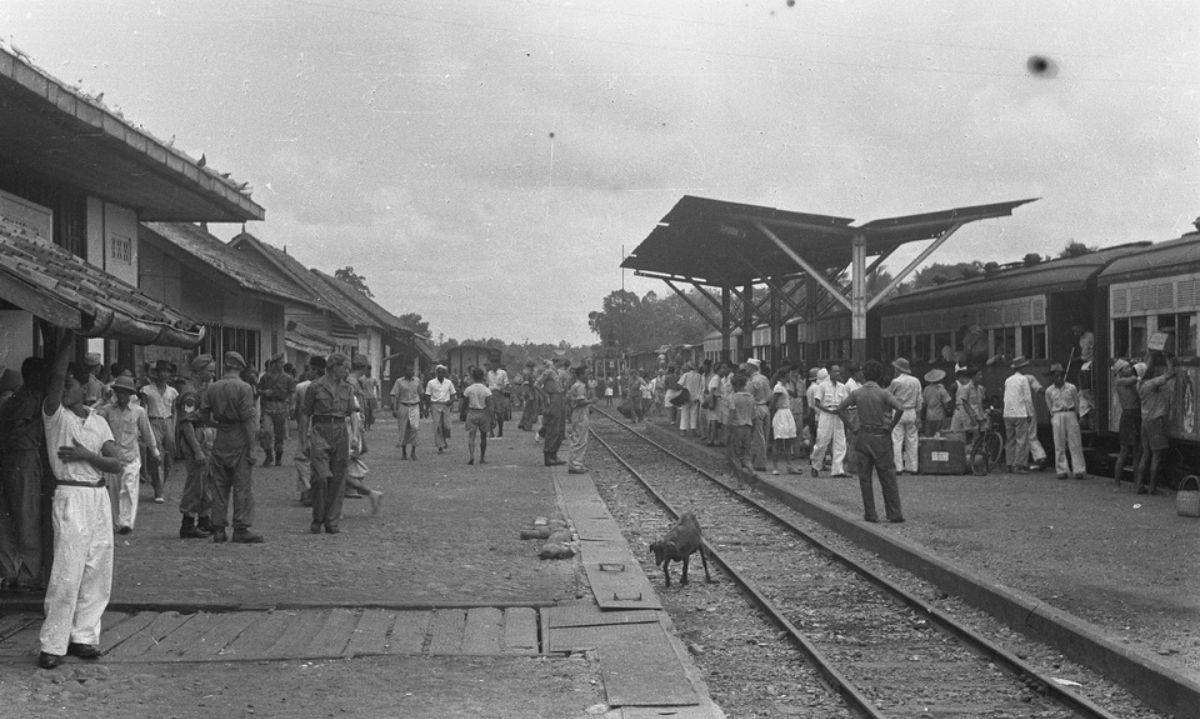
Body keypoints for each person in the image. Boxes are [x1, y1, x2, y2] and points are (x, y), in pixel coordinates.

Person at [38, 330, 124, 670]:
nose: (68, 387)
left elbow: (115, 462)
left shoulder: (99, 421)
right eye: (66, 383)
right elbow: (57, 377)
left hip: (98, 496)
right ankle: (53, 643)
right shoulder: (56, 417)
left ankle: (84, 635)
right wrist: (66, 344)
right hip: (71, 493)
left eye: (75, 382)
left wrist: (86, 454)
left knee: (97, 568)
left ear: (85, 387)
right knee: (67, 569)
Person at [0, 356, 48, 593]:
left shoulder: (20, 398)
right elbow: (17, 433)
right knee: (27, 516)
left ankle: (12, 571)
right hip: (23, 459)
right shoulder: (26, 400)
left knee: (14, 518)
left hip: (16, 460)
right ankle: (29, 573)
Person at [204, 351, 263, 544]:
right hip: (239, 438)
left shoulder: (213, 387)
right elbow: (248, 419)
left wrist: (219, 424)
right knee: (242, 486)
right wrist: (253, 447)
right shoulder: (244, 388)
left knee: (219, 486)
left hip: (221, 437)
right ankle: (241, 527)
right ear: (239, 367)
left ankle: (218, 528)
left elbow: (204, 414)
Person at [839, 359, 905, 523]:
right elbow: (900, 408)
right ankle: (894, 513)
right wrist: (890, 427)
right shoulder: (884, 393)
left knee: (865, 478)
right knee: (888, 477)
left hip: (863, 436)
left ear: (864, 374)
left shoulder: (857, 393)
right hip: (881, 438)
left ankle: (870, 513)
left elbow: (840, 408)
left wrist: (853, 428)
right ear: (880, 375)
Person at [298, 352, 355, 534]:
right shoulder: (315, 387)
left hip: (340, 431)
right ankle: (318, 517)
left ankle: (331, 521)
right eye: (344, 367)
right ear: (334, 367)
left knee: (338, 478)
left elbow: (352, 412)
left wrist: (355, 436)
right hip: (320, 431)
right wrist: (304, 440)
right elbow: (305, 413)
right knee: (321, 477)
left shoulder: (348, 388)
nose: (347, 371)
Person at [96, 375, 159, 534]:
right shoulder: (108, 411)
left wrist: (155, 451)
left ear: (130, 394)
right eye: (119, 392)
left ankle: (126, 523)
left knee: (129, 489)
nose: (122, 396)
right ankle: (117, 522)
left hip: (131, 457)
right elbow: (93, 416)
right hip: (114, 457)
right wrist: (103, 401)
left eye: (125, 393)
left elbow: (147, 432)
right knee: (115, 491)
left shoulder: (139, 411)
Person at [175, 354, 215, 538]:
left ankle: (204, 519)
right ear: (199, 371)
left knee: (206, 480)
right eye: (210, 370)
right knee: (196, 482)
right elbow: (186, 423)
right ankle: (188, 523)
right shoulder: (190, 393)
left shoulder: (202, 389)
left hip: (204, 435)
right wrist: (197, 449)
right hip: (195, 437)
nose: (213, 373)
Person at [1133, 353, 1175, 495]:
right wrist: (1168, 359)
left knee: (1145, 454)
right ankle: (1152, 488)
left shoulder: (1139, 384)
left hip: (1145, 421)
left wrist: (1150, 357)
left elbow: (1144, 370)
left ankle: (1139, 485)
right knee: (1156, 456)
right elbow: (1171, 374)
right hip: (1156, 421)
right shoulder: (1152, 383)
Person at [292, 357, 324, 506]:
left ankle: (307, 490)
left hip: (307, 426)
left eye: (310, 369)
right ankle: (309, 491)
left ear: (316, 370)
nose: (307, 372)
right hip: (322, 428)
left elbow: (298, 410)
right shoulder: (329, 385)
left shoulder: (303, 387)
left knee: (301, 458)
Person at [1045, 363, 1086, 480]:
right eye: (1055, 376)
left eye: (1060, 375)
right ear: (1052, 377)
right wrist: (1053, 417)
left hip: (1070, 413)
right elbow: (1049, 406)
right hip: (1057, 415)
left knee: (1075, 443)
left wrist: (1078, 415)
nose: (1058, 378)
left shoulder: (1071, 388)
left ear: (1063, 376)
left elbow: (1077, 402)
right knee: (1059, 444)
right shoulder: (1049, 391)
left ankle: (1079, 470)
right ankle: (1062, 470)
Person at [810, 366, 849, 477]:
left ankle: (838, 470)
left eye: (839, 371)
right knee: (822, 441)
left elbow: (845, 402)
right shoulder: (822, 386)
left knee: (840, 442)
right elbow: (817, 403)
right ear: (830, 373)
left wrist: (841, 411)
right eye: (835, 371)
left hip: (838, 415)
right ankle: (815, 465)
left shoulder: (842, 387)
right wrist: (828, 410)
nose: (837, 373)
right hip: (826, 414)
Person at [256, 354, 294, 467]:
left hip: (281, 407)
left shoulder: (288, 378)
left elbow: (292, 393)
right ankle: (268, 454)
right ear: (274, 364)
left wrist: (292, 406)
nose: (281, 365)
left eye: (282, 363)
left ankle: (278, 457)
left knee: (279, 434)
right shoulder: (265, 377)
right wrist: (264, 392)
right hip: (268, 406)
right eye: (279, 363)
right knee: (266, 432)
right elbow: (258, 389)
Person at [887, 358, 923, 474]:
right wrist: (918, 416)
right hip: (912, 411)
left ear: (898, 369)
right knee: (912, 440)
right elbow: (919, 400)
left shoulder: (896, 382)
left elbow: (888, 396)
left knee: (897, 440)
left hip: (898, 411)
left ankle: (898, 467)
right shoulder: (916, 381)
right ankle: (913, 467)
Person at [1110, 359, 1141, 491]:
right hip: (1129, 416)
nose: (1130, 369)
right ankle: (1117, 483)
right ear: (1120, 372)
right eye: (1127, 367)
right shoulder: (1121, 381)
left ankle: (1136, 483)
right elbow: (1136, 378)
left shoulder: (1124, 381)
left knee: (1136, 451)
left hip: (1133, 415)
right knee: (1125, 451)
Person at [1002, 356, 1036, 474]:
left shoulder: (1008, 380)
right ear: (1023, 367)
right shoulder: (1023, 379)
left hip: (1008, 412)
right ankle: (1019, 465)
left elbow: (1005, 397)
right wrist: (1030, 412)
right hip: (1020, 412)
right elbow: (1027, 398)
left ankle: (1009, 464)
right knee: (1022, 439)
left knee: (1010, 439)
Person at [536, 360, 567, 466]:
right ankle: (548, 455)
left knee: (560, 429)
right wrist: (545, 396)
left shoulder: (557, 373)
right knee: (553, 428)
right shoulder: (548, 372)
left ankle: (554, 454)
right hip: (553, 399)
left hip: (560, 398)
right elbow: (537, 384)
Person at [390, 363, 422, 459]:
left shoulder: (417, 381)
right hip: (403, 406)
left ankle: (413, 452)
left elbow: (421, 393)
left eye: (412, 370)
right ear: (404, 371)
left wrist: (424, 408)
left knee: (414, 428)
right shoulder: (399, 382)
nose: (411, 372)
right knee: (403, 429)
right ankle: (404, 452)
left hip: (414, 406)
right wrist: (394, 408)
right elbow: (394, 395)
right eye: (408, 370)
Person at [567, 365, 595, 474]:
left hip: (579, 414)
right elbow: (580, 402)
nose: (588, 376)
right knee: (580, 440)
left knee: (579, 438)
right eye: (586, 374)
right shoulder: (580, 387)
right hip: (580, 414)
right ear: (581, 375)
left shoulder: (577, 385)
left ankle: (576, 462)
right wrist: (591, 401)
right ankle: (575, 464)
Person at [726, 373, 755, 477]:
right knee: (746, 455)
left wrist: (727, 430)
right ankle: (752, 472)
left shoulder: (733, 398)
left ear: (736, 385)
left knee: (735, 455)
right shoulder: (751, 397)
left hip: (737, 428)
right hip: (748, 427)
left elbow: (732, 415)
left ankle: (740, 481)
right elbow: (753, 415)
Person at [770, 368, 799, 475]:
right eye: (789, 375)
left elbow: (795, 395)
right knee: (778, 441)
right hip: (781, 414)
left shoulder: (784, 387)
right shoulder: (778, 387)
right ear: (785, 376)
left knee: (788, 442)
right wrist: (773, 415)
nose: (790, 377)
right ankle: (775, 467)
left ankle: (789, 466)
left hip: (787, 414)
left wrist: (794, 384)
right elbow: (773, 402)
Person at [745, 358, 772, 471]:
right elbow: (770, 395)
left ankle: (759, 463)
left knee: (757, 436)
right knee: (764, 435)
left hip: (756, 408)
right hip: (765, 407)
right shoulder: (764, 379)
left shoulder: (752, 381)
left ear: (752, 367)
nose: (746, 368)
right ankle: (760, 460)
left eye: (747, 366)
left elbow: (749, 396)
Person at [462, 368, 493, 466]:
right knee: (483, 437)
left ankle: (472, 456)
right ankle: (482, 458)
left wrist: (463, 412)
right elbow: (490, 405)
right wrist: (493, 418)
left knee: (471, 436)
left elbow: (465, 402)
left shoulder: (469, 389)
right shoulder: (486, 390)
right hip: (483, 413)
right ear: (483, 376)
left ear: (472, 377)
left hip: (472, 412)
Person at [424, 365, 456, 454]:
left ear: (445, 373)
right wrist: (427, 409)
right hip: (435, 404)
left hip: (446, 405)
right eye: (439, 372)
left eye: (443, 372)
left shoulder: (449, 382)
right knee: (437, 425)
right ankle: (440, 446)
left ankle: (444, 439)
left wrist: (451, 401)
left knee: (447, 426)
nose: (441, 374)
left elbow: (453, 394)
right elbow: (427, 396)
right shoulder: (431, 383)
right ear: (436, 373)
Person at [949, 367, 985, 443]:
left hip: (977, 419)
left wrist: (982, 417)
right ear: (973, 377)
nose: (981, 377)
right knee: (964, 438)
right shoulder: (966, 388)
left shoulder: (980, 389)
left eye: (981, 375)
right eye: (978, 375)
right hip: (967, 418)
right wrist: (972, 416)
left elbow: (980, 404)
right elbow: (964, 404)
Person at [921, 368, 951, 437]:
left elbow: (924, 404)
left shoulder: (926, 389)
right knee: (939, 435)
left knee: (929, 436)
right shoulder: (941, 389)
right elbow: (946, 404)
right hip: (939, 416)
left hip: (929, 416)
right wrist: (948, 413)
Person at [678, 362, 705, 438]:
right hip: (695, 398)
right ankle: (694, 430)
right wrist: (698, 396)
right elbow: (702, 387)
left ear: (688, 368)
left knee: (684, 413)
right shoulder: (699, 376)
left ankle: (683, 430)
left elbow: (679, 385)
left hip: (686, 397)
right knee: (694, 414)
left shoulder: (685, 375)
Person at [485, 361, 510, 438]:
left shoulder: (503, 373)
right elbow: (487, 383)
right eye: (491, 364)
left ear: (497, 364)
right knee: (490, 413)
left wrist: (501, 389)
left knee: (500, 414)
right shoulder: (489, 373)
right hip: (490, 394)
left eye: (494, 363)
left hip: (499, 394)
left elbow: (507, 384)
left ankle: (500, 431)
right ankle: (491, 432)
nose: (492, 365)